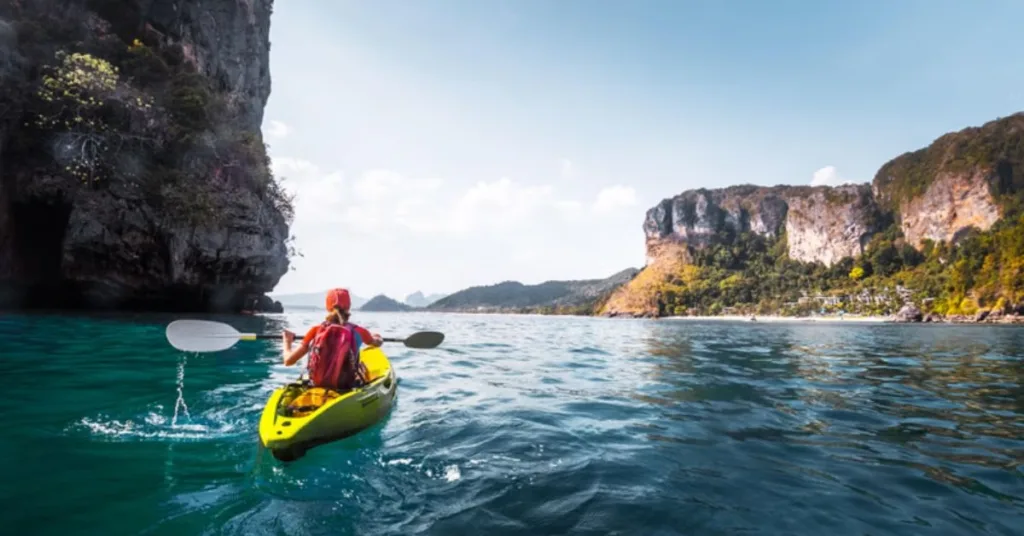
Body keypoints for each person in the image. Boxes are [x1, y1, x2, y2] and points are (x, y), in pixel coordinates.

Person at [281, 288, 383, 390]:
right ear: (349, 306)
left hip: (316, 384)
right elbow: (376, 343)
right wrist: (377, 338)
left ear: (327, 307)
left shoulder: (315, 330)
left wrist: (287, 341)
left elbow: (288, 361)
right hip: (346, 386)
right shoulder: (359, 331)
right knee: (362, 369)